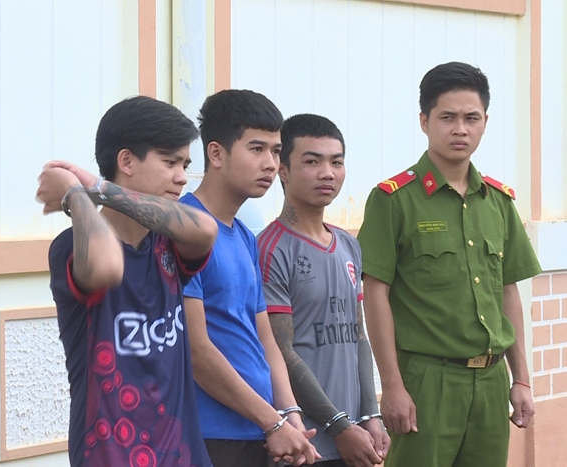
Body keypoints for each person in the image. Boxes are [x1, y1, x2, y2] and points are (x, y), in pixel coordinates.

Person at [357, 62, 542, 467]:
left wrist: (522, 379)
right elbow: (375, 294)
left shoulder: (498, 201)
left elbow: (508, 292)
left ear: (485, 122)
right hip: (427, 382)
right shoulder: (394, 199)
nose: (460, 129)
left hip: (492, 381)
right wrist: (392, 385)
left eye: (471, 118)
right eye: (447, 118)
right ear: (424, 121)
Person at [37, 96, 218, 467]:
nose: (182, 177)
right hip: (110, 455)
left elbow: (205, 229)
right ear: (127, 161)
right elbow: (106, 265)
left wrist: (95, 187)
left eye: (185, 165)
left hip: (182, 455)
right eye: (170, 162)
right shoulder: (74, 246)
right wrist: (77, 196)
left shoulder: (170, 241)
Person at [180, 89, 319, 467]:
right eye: (257, 149)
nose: (270, 164)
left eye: (276, 151)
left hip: (261, 430)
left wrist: (289, 413)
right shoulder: (185, 230)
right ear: (216, 153)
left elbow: (266, 340)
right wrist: (273, 422)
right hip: (211, 433)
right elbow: (197, 352)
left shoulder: (243, 235)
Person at [257, 114, 389, 467]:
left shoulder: (348, 244)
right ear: (283, 170)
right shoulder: (271, 248)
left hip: (355, 436)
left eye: (336, 162)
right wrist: (338, 426)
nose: (327, 173)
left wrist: (370, 415)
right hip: (306, 443)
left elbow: (358, 335)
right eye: (312, 162)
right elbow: (280, 350)